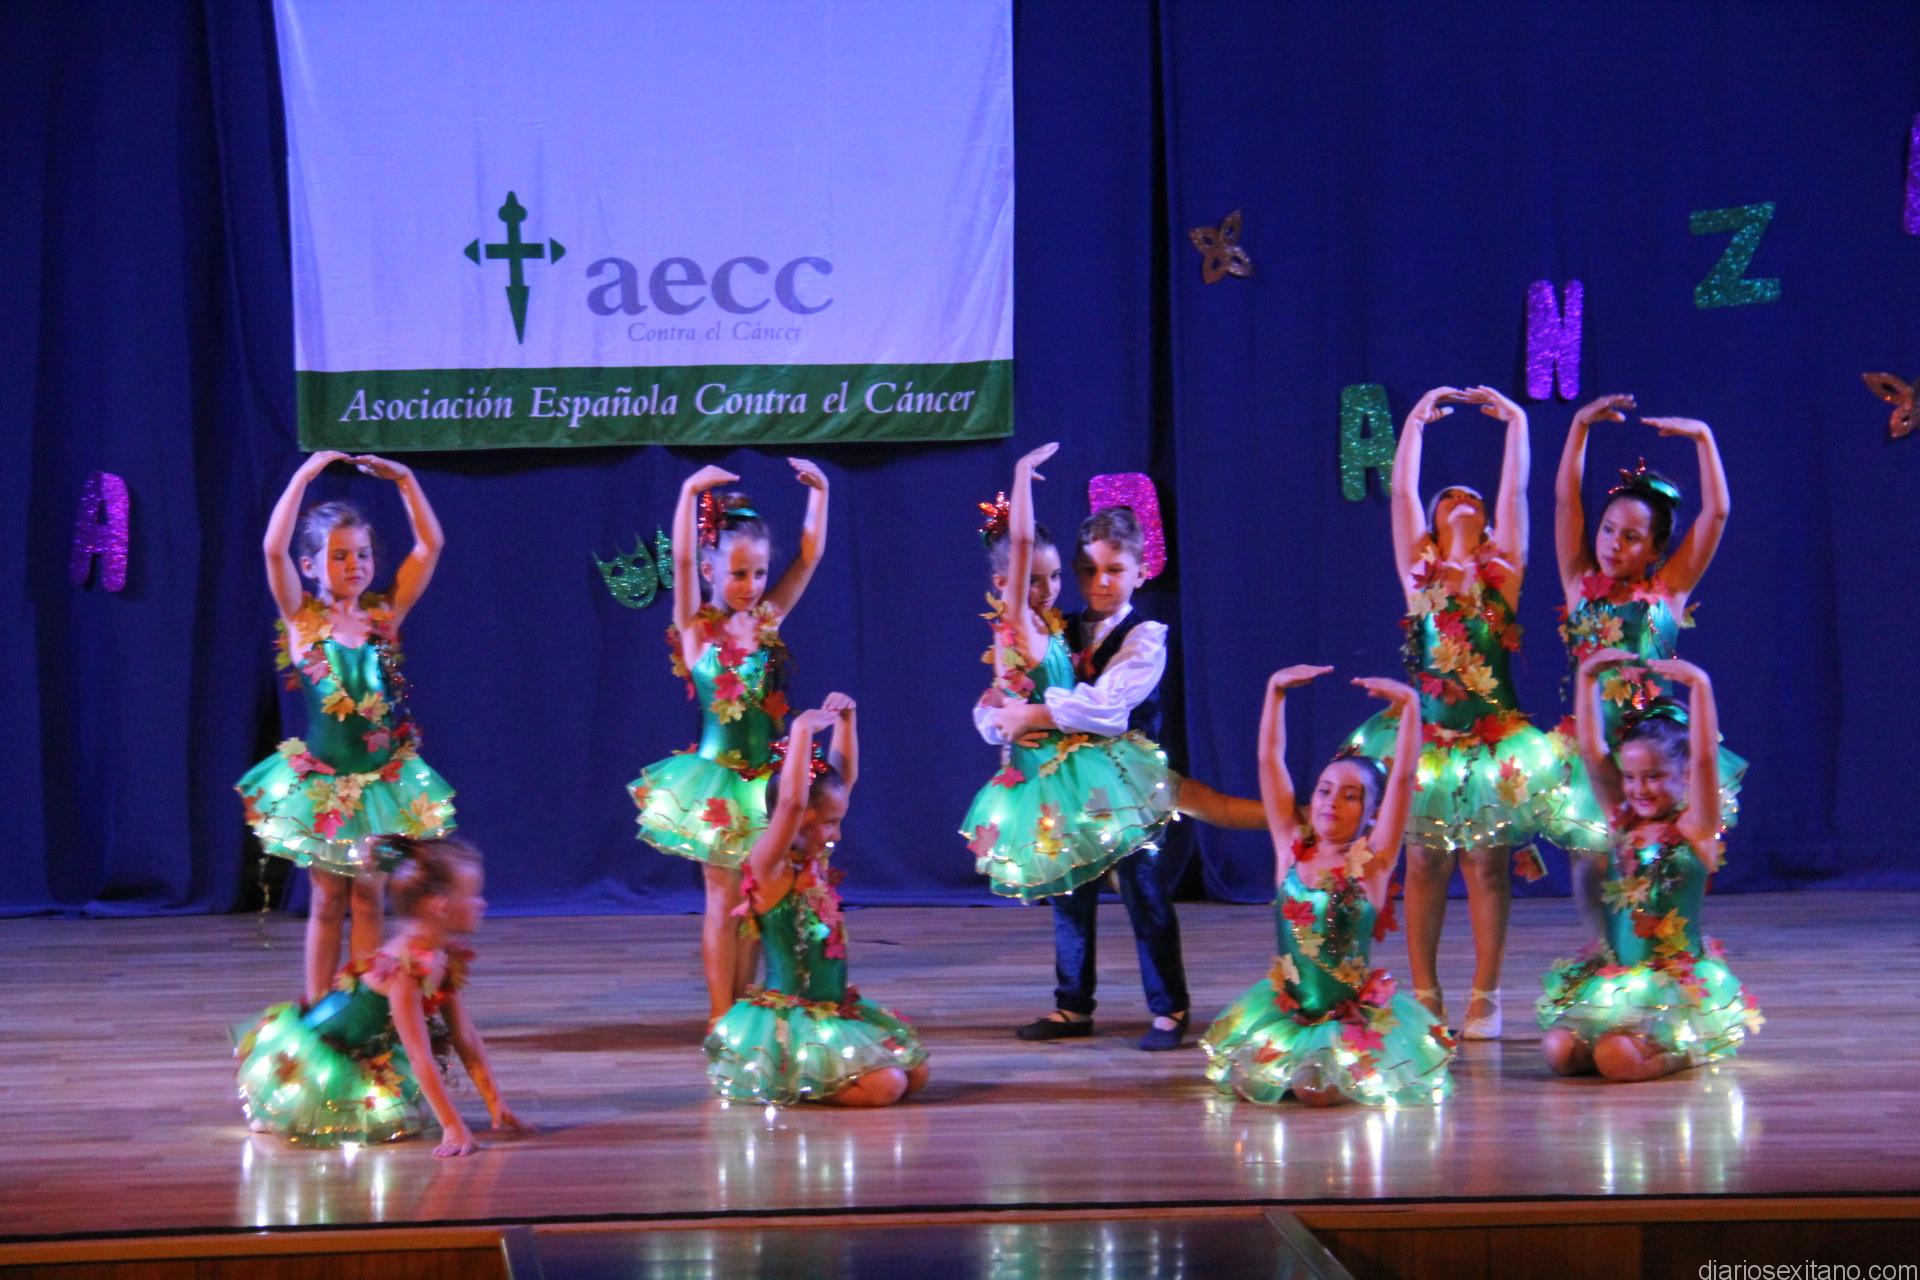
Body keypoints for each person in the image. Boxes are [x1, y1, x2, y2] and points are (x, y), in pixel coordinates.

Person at [974, 492, 1262, 1050]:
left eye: (1114, 570)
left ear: (1140, 571)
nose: (1100, 582)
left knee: (1142, 888)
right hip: (1066, 786)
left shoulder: (1144, 637)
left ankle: (1169, 1007)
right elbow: (1002, 692)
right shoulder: (1056, 629)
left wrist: (1034, 714)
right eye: (1088, 570)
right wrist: (1000, 721)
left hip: (1128, 788)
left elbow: (1108, 709)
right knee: (1069, 892)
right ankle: (1072, 1004)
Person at [1345, 386, 1563, 1040]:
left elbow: (1517, 494)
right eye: (1449, 499)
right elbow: (1402, 496)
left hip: (1493, 745)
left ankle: (1486, 995)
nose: (1463, 499)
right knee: (1424, 863)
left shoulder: (1505, 574)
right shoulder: (1420, 576)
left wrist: (1517, 424)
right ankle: (1426, 992)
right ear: (1434, 526)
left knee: (1486, 865)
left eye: (1473, 498)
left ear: (1487, 523)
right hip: (1431, 743)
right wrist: (1414, 422)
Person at [237, 453, 455, 1002]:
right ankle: (319, 1010)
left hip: (380, 786)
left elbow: (430, 546)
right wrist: (302, 477)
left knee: (368, 898)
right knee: (328, 898)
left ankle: (365, 1006)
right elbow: (272, 549)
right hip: (326, 789)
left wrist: (406, 480)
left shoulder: (384, 617)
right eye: (338, 556)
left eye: (361, 554)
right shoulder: (302, 621)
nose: (354, 565)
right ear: (310, 566)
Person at [630, 459, 829, 1023]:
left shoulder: (767, 622)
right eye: (738, 574)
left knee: (758, 896)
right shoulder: (698, 631)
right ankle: (722, 1016)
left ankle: (745, 1010)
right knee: (722, 898)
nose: (752, 586)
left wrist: (820, 492)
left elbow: (809, 556)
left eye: (759, 573)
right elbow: (681, 560)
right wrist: (690, 491)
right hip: (716, 783)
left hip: (768, 783)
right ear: (711, 571)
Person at [1201, 666, 1453, 1107]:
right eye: (1324, 790)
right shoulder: (1290, 849)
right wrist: (1275, 692)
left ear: (1371, 813)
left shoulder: (1373, 863)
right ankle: (1302, 1065)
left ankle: (1327, 1071)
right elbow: (1269, 762)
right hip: (1291, 1013)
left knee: (1312, 1090)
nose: (1331, 802)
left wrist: (1412, 707)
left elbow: (1403, 777)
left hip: (1350, 1020)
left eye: (1350, 796)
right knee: (1245, 1083)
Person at [1548, 395, 1744, 940]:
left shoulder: (1668, 594)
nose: (1613, 544)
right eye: (1609, 529)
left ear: (1655, 550)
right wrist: (1578, 426)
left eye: (1631, 537)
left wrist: (1703, 438)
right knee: (1591, 862)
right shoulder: (1579, 584)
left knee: (1659, 858)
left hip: (1653, 750)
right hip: (1596, 745)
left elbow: (1716, 515)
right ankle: (1605, 954)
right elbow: (1566, 501)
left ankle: (1665, 950)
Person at [1537, 652, 1762, 1081]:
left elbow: (1704, 758)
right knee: (1558, 1052)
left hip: (1670, 986)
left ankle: (1692, 1050)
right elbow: (1592, 752)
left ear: (1684, 775)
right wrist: (1588, 677)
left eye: (1655, 776)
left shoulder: (1696, 828)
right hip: (1619, 980)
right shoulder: (1623, 823)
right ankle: (1625, 1044)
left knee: (1615, 1060)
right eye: (1632, 776)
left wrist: (1700, 686)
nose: (1640, 788)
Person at [235, 835, 531, 1155]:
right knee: (364, 1122)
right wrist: (452, 1126)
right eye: (473, 895)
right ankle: (285, 1110)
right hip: (318, 1058)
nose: (482, 904)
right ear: (441, 906)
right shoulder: (404, 971)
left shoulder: (441, 955)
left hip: (367, 1047)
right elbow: (419, 1055)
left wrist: (494, 1101)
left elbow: (465, 1035)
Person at [705, 697, 929, 1106]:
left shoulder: (814, 857)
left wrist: (847, 720)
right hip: (790, 1021)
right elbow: (792, 803)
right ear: (798, 820)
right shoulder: (770, 866)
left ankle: (825, 1074)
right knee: (886, 1087)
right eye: (829, 823)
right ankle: (796, 1079)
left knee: (916, 1075)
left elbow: (844, 780)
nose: (837, 834)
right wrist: (801, 733)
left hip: (831, 1011)